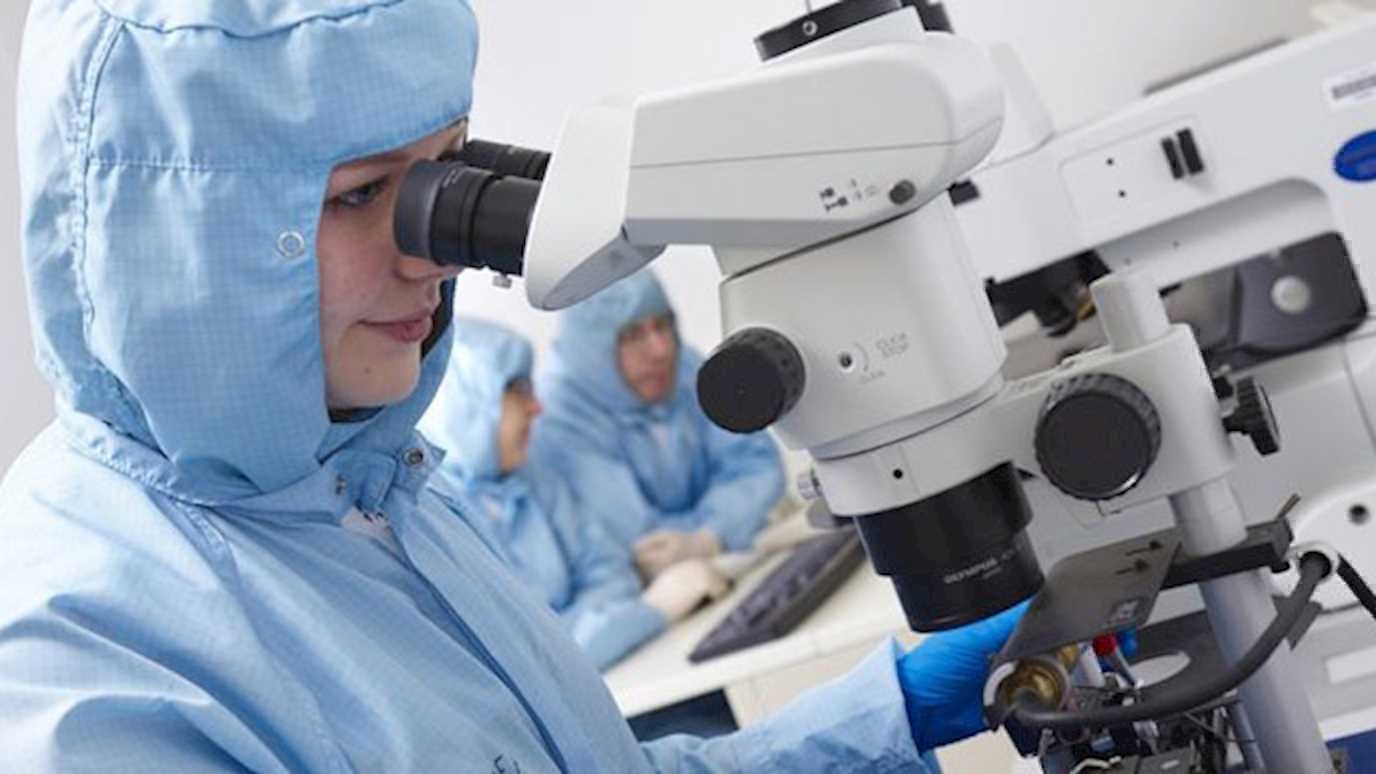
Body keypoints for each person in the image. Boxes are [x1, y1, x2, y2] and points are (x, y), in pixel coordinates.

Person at [0, 0, 1021, 770]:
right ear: (163, 249)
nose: (432, 256)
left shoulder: (379, 495)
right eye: (359, 195)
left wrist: (881, 713)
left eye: (446, 169)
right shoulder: (79, 656)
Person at [420, 317, 728, 670]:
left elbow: (610, 574)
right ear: (470, 404)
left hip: (630, 668)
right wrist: (644, 615)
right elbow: (525, 661)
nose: (537, 408)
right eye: (519, 392)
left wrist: (602, 630)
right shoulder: (438, 522)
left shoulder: (534, 478)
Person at [534, 271, 785, 581]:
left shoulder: (680, 366)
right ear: (592, 346)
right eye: (633, 335)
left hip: (730, 566)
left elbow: (756, 462)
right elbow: (642, 542)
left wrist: (709, 537)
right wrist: (729, 524)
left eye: (662, 324)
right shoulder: (560, 422)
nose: (660, 349)